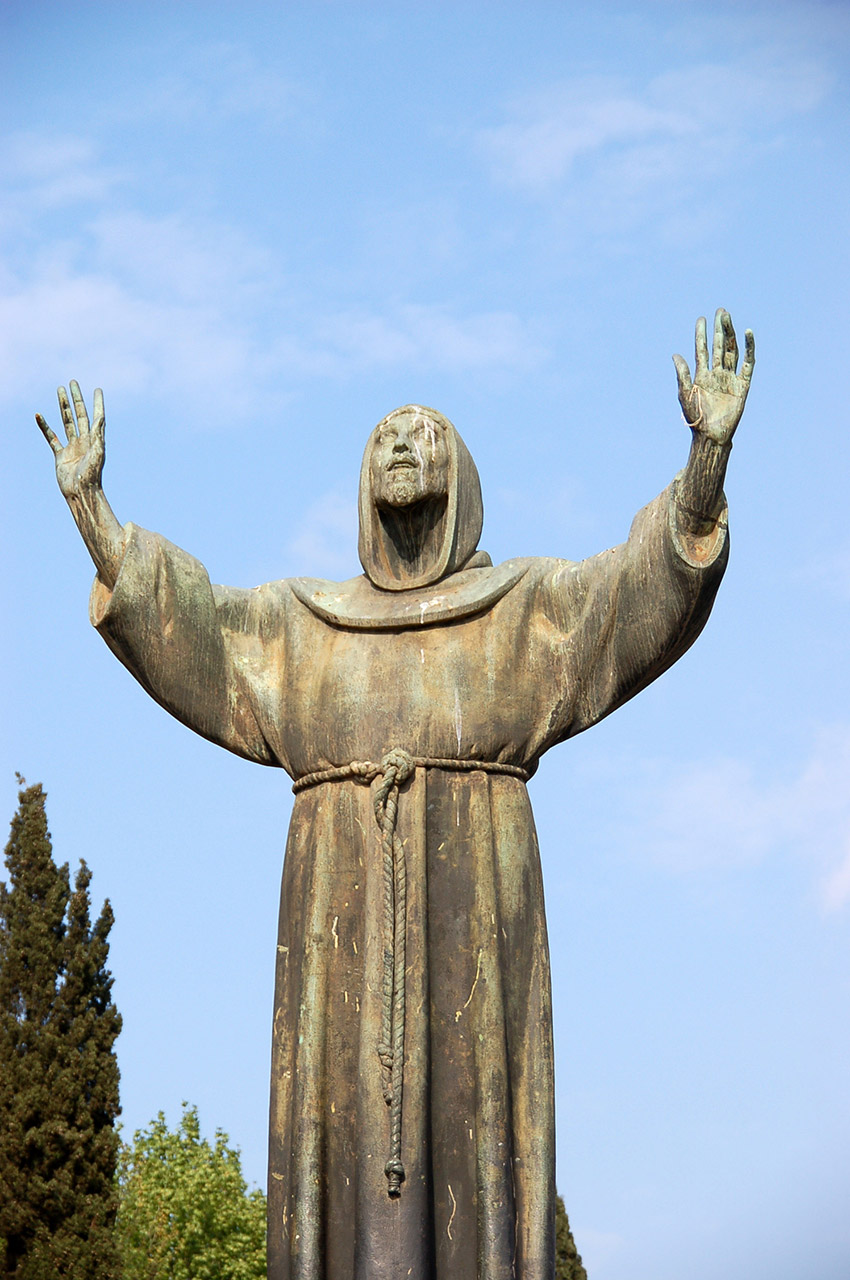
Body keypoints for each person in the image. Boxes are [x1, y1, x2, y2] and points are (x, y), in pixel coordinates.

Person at [36, 310, 753, 1280]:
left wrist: (705, 460)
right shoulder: (302, 626)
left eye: (420, 432)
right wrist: (95, 515)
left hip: (476, 918)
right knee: (337, 1136)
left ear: (463, 479)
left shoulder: (527, 607)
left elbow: (638, 592)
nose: (399, 444)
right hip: (337, 919)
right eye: (382, 435)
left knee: (477, 1123)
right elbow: (193, 628)